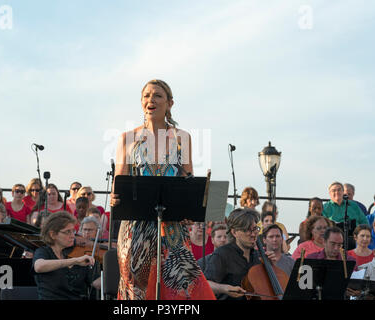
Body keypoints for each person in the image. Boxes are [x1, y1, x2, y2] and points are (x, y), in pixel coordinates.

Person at [110, 79, 215, 300]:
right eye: (146, 95)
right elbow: (120, 180)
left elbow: (188, 177)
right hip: (135, 225)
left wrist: (191, 207)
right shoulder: (127, 138)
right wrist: (114, 197)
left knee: (180, 282)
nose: (151, 100)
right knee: (134, 285)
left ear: (169, 103)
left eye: (157, 95)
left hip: (173, 224)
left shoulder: (182, 137)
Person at [204, 208, 277, 300]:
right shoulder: (222, 254)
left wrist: (271, 266)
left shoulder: (258, 256)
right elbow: (206, 284)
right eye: (247, 230)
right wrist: (224, 288)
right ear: (234, 232)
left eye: (255, 229)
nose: (254, 234)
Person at [32, 211, 95, 300]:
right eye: (67, 232)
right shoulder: (43, 252)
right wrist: (75, 260)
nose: (73, 236)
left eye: (73, 231)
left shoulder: (78, 253)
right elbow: (39, 266)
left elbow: (95, 282)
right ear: (53, 234)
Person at [322, 182, 368, 249]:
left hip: (354, 239)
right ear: (329, 193)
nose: (337, 192)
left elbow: (364, 222)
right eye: (334, 190)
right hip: (334, 240)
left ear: (343, 192)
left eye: (339, 190)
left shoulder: (353, 205)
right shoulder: (325, 208)